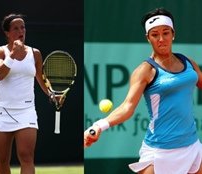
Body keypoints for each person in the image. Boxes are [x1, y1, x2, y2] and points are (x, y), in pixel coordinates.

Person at [84, 7, 202, 174]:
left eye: (166, 33)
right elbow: (127, 107)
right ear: (148, 38)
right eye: (155, 34)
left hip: (192, 146)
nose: (161, 39)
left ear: (173, 34)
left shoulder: (188, 62)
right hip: (159, 151)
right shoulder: (145, 71)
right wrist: (99, 126)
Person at [0, 13, 52, 174]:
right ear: (7, 33)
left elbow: (41, 78)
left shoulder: (35, 53)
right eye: (15, 28)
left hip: (26, 111)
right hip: (3, 111)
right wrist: (12, 56)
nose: (20, 31)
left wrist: (52, 94)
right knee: (2, 161)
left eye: (23, 27)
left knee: (26, 157)